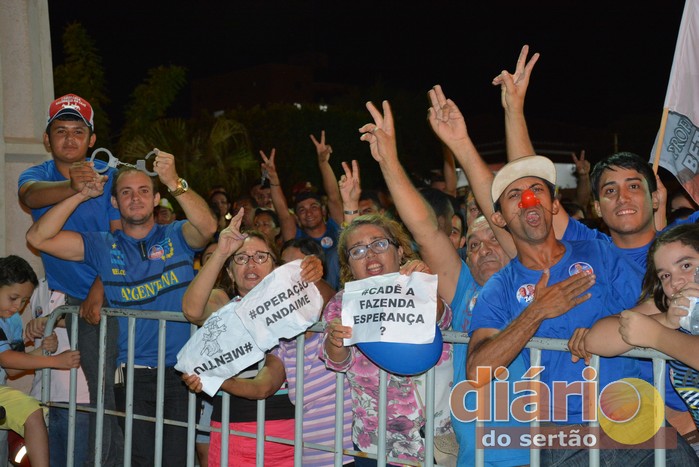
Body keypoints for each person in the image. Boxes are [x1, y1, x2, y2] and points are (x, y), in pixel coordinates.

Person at [462, 153, 698, 463]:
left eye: (537, 190)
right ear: (499, 219)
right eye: (514, 195)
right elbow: (477, 370)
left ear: (553, 205)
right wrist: (537, 311)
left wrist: (603, 332)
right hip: (566, 436)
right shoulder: (499, 287)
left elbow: (655, 299)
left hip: (637, 419)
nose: (528, 199)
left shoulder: (599, 251)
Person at [26, 150, 217, 466]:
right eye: (126, 192)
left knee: (176, 461)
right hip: (131, 377)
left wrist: (174, 182)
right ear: (114, 202)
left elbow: (208, 227)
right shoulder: (102, 244)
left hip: (183, 374)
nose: (135, 198)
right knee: (138, 461)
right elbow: (38, 237)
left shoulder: (176, 234)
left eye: (143, 191)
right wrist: (80, 194)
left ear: (156, 199)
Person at [362, 99, 527, 466]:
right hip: (469, 455)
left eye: (493, 239)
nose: (483, 249)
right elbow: (425, 229)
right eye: (473, 244)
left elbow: (507, 216)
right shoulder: (465, 287)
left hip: (525, 453)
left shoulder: (525, 279)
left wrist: (462, 144)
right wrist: (388, 160)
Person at [17, 92, 124, 466]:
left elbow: (122, 239)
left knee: (105, 396)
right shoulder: (36, 176)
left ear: (92, 139)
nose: (69, 139)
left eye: (78, 131)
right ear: (47, 139)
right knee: (76, 398)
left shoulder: (111, 176)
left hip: (108, 298)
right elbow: (30, 197)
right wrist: (74, 187)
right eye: (60, 131)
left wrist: (101, 287)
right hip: (64, 302)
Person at [180, 211, 325, 466]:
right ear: (230, 272)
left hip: (290, 435)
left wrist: (313, 276)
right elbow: (192, 310)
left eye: (261, 257)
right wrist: (221, 252)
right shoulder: (224, 304)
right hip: (232, 430)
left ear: (275, 268)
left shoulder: (296, 307)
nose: (251, 264)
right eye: (241, 258)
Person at [320, 210, 452, 466]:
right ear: (349, 265)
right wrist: (335, 340)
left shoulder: (420, 284)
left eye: (379, 244)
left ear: (400, 251)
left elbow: (445, 320)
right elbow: (337, 361)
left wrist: (423, 287)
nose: (370, 254)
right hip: (379, 444)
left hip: (439, 437)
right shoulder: (342, 304)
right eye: (357, 250)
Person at [585, 223, 699, 454]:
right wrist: (665, 320)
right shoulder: (672, 305)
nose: (675, 282)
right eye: (665, 275)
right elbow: (595, 339)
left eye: (686, 265)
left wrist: (656, 335)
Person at [0, 255, 81, 467]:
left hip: (1, 393)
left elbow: (12, 370)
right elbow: (6, 358)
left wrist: (42, 349)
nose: (17, 306)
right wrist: (56, 361)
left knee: (33, 413)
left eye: (24, 301)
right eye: (13, 298)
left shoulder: (13, 321)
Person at [24, 277, 90, 467]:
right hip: (42, 395)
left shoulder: (85, 280)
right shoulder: (38, 286)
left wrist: (51, 321)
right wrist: (33, 328)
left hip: (78, 396)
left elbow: (93, 318)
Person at [261, 140, 343, 290]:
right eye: (302, 210)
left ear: (323, 211)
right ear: (297, 217)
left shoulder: (336, 227)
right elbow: (283, 214)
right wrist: (274, 180)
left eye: (314, 207)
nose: (309, 212)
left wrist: (323, 163)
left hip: (341, 292)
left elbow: (334, 197)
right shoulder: (296, 238)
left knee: (334, 255)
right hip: (307, 295)